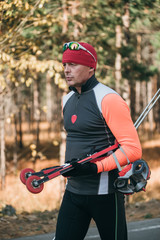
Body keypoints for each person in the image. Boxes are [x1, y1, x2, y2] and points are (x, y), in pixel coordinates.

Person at [53, 41, 142, 240]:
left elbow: (133, 149)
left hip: (106, 195)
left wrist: (94, 168)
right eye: (64, 65)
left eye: (73, 65)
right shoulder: (67, 100)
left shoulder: (108, 98)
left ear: (91, 67)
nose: (67, 70)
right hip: (73, 192)